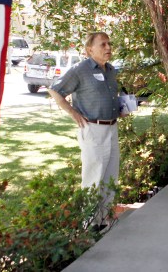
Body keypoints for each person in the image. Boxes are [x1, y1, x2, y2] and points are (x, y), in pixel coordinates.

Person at [47, 31, 127, 229]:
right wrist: (73, 113)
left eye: (109, 43)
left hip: (112, 128)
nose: (108, 47)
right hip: (92, 129)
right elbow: (54, 90)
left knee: (110, 175)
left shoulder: (110, 70)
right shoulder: (80, 70)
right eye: (103, 44)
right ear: (90, 50)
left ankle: (105, 219)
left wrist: (120, 108)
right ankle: (90, 224)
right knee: (94, 176)